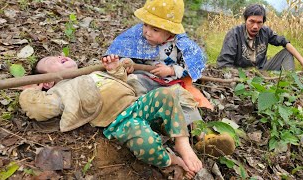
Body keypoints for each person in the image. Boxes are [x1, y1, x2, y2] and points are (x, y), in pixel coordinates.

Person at [19, 55, 207, 179]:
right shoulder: (61, 91)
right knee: (144, 141)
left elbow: (122, 80)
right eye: (51, 60)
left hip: (138, 103)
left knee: (168, 94)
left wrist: (114, 68)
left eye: (59, 55)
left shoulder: (92, 70)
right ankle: (171, 160)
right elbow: (39, 109)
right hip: (121, 122)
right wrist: (30, 91)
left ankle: (182, 143)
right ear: (47, 82)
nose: (59, 56)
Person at [105, 0, 207, 97]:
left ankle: (151, 101)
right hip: (142, 76)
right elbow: (127, 53)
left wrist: (171, 70)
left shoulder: (181, 46)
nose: (147, 32)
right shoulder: (137, 34)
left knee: (177, 95)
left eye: (155, 29)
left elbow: (189, 68)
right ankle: (138, 98)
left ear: (170, 32)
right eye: (145, 25)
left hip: (168, 83)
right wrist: (127, 62)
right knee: (133, 79)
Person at [217, 4, 303, 70]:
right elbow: (224, 64)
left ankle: (289, 82)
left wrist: (302, 61)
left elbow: (285, 42)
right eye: (252, 21)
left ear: (263, 22)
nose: (255, 26)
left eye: (259, 22)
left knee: (287, 53)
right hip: (241, 73)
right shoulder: (234, 34)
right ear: (245, 20)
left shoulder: (265, 31)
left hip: (262, 70)